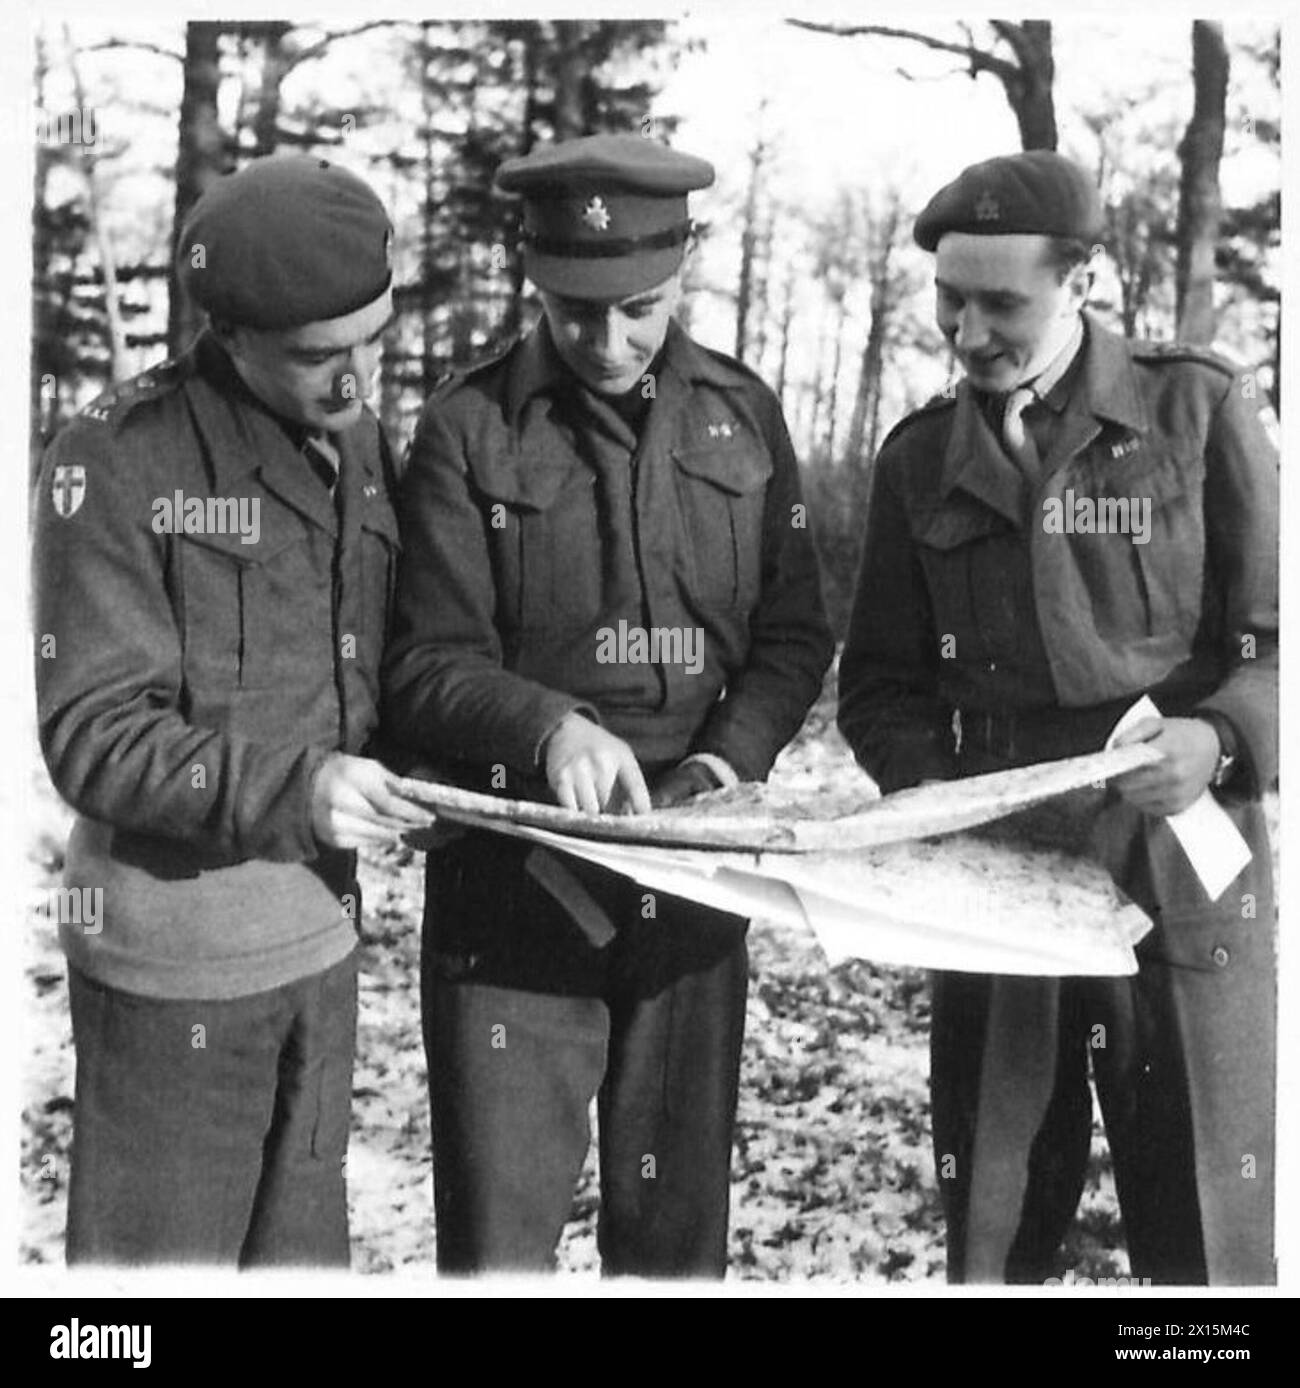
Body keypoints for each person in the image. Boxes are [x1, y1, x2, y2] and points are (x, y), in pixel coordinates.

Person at [383, 132, 833, 1276]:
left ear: (685, 266)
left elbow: (790, 633)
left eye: (639, 307)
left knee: (674, 1237)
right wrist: (547, 726)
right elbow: (424, 659)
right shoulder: (466, 428)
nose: (608, 339)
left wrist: (723, 766)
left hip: (691, 879)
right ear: (534, 280)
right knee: (498, 1237)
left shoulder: (743, 413)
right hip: (513, 883)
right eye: (574, 311)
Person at [837, 150, 1277, 1285]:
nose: (966, 330)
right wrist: (926, 785)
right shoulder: (920, 458)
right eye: (949, 299)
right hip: (999, 863)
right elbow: (880, 682)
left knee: (1199, 1212)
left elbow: (1271, 644)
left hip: (1177, 849)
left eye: (1001, 304)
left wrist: (1216, 738)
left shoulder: (1196, 409)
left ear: (1079, 281)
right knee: (992, 1202)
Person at [33, 154, 433, 1267]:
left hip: (319, 937)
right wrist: (296, 786)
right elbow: (92, 731)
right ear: (233, 333)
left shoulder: (355, 441)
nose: (356, 379)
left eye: (374, 339)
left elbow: (366, 663)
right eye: (321, 356)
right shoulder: (115, 459)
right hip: (174, 968)